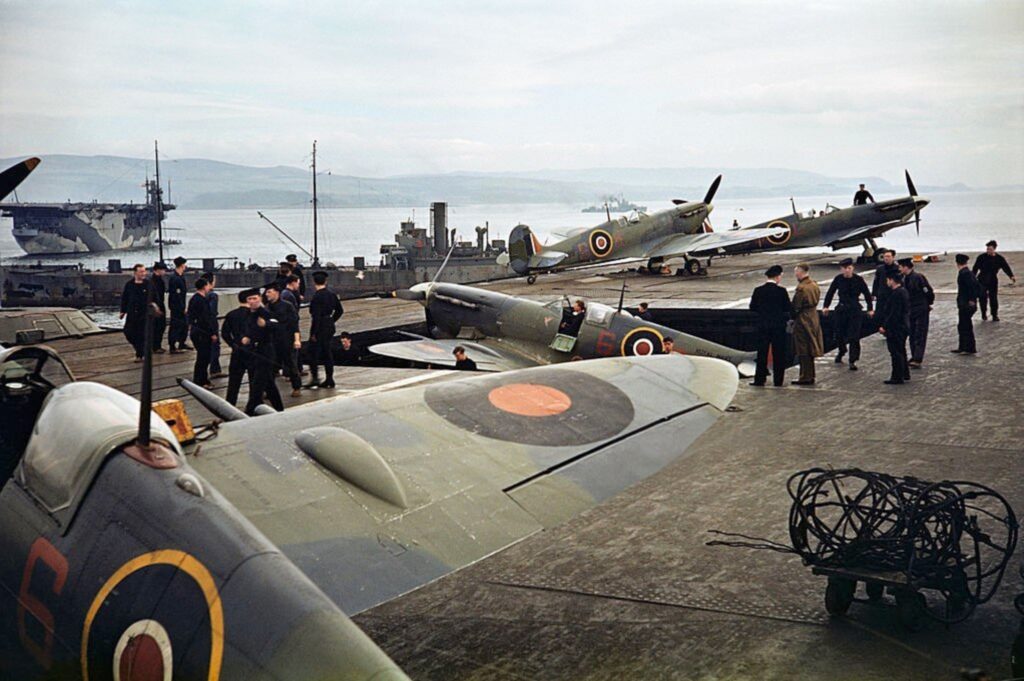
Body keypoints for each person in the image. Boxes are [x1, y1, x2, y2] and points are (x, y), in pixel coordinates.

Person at [822, 258, 873, 371]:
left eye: (849, 268)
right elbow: (830, 292)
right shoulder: (838, 279)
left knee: (854, 336)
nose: (847, 271)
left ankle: (852, 360)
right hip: (842, 308)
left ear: (852, 268)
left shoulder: (858, 280)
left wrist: (870, 308)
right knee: (839, 333)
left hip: (855, 309)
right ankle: (842, 350)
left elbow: (867, 294)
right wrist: (826, 306)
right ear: (841, 269)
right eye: (845, 268)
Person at [241, 291, 284, 414]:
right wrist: (246, 337)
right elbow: (248, 329)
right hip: (254, 351)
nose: (252, 301)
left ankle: (249, 411)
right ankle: (280, 409)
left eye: (254, 298)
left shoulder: (265, 312)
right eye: (249, 299)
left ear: (259, 298)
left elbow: (277, 324)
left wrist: (266, 324)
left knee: (257, 385)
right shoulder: (248, 314)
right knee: (269, 384)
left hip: (266, 351)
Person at [749, 265, 791, 387]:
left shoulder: (758, 290)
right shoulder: (781, 291)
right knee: (779, 353)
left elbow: (752, 307)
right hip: (778, 327)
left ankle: (759, 380)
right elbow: (787, 308)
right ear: (777, 277)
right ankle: (778, 381)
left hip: (762, 326)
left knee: (762, 353)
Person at [307, 271, 344, 389]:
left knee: (312, 353)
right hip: (329, 324)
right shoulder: (332, 295)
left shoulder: (316, 297)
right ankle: (329, 378)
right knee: (327, 352)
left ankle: (315, 378)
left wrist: (313, 333)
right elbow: (340, 310)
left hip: (320, 326)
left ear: (314, 282)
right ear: (326, 282)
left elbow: (316, 316)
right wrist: (332, 320)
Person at [265, 283, 302, 397]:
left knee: (291, 365)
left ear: (277, 292)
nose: (267, 294)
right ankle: (268, 390)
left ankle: (296, 387)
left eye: (269, 292)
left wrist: (297, 340)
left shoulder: (287, 306)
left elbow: (294, 324)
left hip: (286, 339)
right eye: (266, 292)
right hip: (272, 340)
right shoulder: (266, 307)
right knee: (270, 367)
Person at [791, 263, 823, 385]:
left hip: (803, 319)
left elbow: (796, 306)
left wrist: (792, 316)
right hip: (813, 317)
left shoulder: (801, 288)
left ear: (800, 272)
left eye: (796, 272)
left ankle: (805, 376)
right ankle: (811, 375)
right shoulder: (814, 285)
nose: (795, 274)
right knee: (811, 346)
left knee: (803, 348)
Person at [898, 258, 934, 368]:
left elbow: (928, 291)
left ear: (905, 267)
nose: (899, 269)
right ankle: (914, 356)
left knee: (920, 333)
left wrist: (928, 303)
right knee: (912, 333)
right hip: (911, 310)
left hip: (920, 309)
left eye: (900, 266)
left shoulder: (918, 278)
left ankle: (918, 358)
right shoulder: (904, 279)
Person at [220, 290, 253, 406]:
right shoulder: (254, 314)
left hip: (237, 352)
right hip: (252, 352)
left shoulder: (231, 315)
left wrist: (233, 344)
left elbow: (225, 334)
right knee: (254, 381)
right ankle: (253, 405)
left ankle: (230, 404)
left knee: (234, 382)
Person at [878, 272, 910, 385]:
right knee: (901, 350)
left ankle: (897, 376)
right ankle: (905, 373)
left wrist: (884, 326)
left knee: (895, 352)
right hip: (903, 326)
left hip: (896, 328)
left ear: (892, 280)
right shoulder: (903, 291)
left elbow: (893, 313)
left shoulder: (896, 294)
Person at [972, 240, 1016, 321]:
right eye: (987, 249)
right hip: (982, 279)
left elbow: (1005, 267)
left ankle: (994, 315)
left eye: (990, 249)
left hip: (993, 280)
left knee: (993, 298)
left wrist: (1011, 276)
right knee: (982, 298)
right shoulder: (981, 257)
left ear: (994, 249)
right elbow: (975, 268)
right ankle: (983, 314)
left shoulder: (999, 258)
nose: (988, 250)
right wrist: (972, 278)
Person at [186, 278, 218, 387]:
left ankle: (200, 379)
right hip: (202, 333)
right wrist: (212, 333)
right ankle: (201, 380)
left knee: (202, 357)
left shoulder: (194, 299)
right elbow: (205, 319)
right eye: (208, 285)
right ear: (205, 287)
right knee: (204, 358)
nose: (210, 287)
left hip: (196, 331)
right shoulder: (201, 300)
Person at [119, 264, 149, 361]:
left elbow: (155, 298)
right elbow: (125, 298)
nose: (143, 273)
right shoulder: (129, 284)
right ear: (135, 273)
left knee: (141, 334)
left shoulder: (148, 284)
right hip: (132, 313)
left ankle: (140, 354)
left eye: (144, 271)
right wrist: (123, 311)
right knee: (128, 332)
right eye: (141, 271)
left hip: (144, 313)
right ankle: (139, 350)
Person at [953, 253, 980, 355]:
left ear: (957, 263)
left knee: (965, 325)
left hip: (966, 303)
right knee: (963, 325)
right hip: (964, 302)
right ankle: (963, 346)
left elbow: (973, 287)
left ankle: (969, 347)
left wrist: (972, 300)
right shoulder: (966, 272)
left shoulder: (965, 273)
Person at [168, 256, 190, 353]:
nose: (185, 266)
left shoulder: (180, 277)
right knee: (176, 325)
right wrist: (182, 307)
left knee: (184, 325)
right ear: (181, 265)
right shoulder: (175, 279)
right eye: (184, 264)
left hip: (181, 304)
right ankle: (172, 346)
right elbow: (176, 295)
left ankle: (182, 342)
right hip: (177, 306)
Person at [204, 272, 224, 378]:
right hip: (212, 324)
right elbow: (212, 312)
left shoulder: (201, 295)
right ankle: (215, 370)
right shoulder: (213, 295)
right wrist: (213, 330)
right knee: (215, 346)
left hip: (202, 325)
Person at [871, 249, 899, 323]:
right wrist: (874, 293)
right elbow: (876, 282)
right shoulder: (880, 269)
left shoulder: (897, 269)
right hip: (882, 295)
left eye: (888, 256)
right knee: (879, 315)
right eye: (885, 256)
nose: (886, 258)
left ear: (893, 257)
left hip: (893, 295)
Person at [150, 261, 167, 353]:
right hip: (156, 304)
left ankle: (157, 345)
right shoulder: (154, 281)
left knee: (160, 326)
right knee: (158, 326)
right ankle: (156, 346)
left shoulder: (158, 280)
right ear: (158, 270)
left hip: (159, 303)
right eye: (163, 270)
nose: (164, 272)